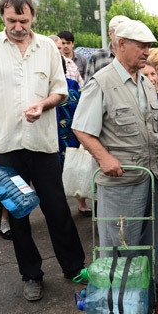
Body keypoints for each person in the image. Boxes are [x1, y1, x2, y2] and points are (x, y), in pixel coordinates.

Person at [0, 0, 85, 302]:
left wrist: (43, 105)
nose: (18, 26)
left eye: (24, 20)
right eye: (11, 20)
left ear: (33, 17)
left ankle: (74, 267)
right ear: (1, 16)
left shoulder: (47, 47)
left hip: (42, 144)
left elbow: (61, 92)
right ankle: (31, 275)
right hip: (4, 145)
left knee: (57, 208)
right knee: (18, 215)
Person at [71, 20, 158, 297]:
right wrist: (104, 159)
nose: (147, 52)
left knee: (151, 238)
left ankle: (149, 287)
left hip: (151, 178)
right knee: (120, 242)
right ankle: (121, 295)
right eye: (141, 46)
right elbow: (80, 128)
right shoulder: (101, 82)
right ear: (121, 44)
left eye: (149, 46)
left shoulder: (147, 83)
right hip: (120, 181)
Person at [49, 36, 91, 216]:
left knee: (74, 165)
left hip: (71, 133)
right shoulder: (42, 88)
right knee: (52, 172)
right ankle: (58, 208)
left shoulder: (73, 85)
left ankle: (81, 203)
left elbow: (83, 105)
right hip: (50, 135)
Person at [84, 15, 130, 81]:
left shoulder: (134, 57)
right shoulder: (98, 57)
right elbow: (88, 87)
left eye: (126, 33)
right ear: (110, 34)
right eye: (119, 32)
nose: (122, 36)